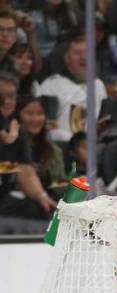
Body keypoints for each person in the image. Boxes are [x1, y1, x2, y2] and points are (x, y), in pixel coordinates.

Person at [0, 72, 56, 222]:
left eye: (11, 96)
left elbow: (25, 171)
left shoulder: (17, 131)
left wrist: (41, 196)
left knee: (41, 208)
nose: (6, 101)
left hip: (3, 198)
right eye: (1, 95)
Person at [37, 30, 107, 143]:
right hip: (66, 151)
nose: (84, 57)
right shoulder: (51, 85)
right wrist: (73, 142)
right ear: (67, 59)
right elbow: (48, 128)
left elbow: (105, 120)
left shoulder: (98, 85)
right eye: (78, 53)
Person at [17, 95, 66, 188]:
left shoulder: (54, 150)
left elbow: (60, 182)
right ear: (18, 117)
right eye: (29, 113)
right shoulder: (9, 147)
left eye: (40, 114)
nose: (35, 119)